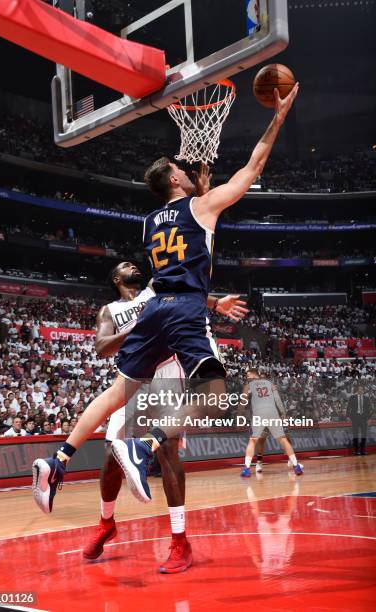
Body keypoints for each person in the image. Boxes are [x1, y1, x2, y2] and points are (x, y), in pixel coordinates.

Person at [32, 82, 299, 512]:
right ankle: (145, 447)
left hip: (155, 309)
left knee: (118, 391)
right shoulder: (202, 206)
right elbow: (254, 166)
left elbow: (190, 219)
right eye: (183, 169)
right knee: (213, 394)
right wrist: (279, 116)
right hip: (184, 309)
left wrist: (203, 188)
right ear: (175, 178)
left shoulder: (151, 221)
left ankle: (56, 460)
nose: (189, 171)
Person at [81, 259, 247, 573]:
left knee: (167, 449)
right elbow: (101, 347)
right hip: (133, 377)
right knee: (110, 455)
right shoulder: (109, 311)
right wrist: (138, 327)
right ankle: (106, 522)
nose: (132, 265)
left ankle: (180, 540)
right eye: (125, 265)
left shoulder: (154, 290)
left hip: (168, 370)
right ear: (116, 278)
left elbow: (189, 294)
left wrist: (217, 303)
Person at [240, 369, 303, 477]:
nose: (247, 377)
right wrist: (283, 414)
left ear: (253, 375)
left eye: (248, 375)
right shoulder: (270, 383)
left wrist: (240, 414)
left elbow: (243, 400)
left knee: (253, 441)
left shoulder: (249, 385)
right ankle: (296, 466)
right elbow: (277, 399)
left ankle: (246, 469)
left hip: (259, 413)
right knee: (283, 440)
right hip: (272, 412)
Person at [346, 385, 372, 455]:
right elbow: (348, 407)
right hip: (355, 418)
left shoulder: (366, 398)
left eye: (362, 389)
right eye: (359, 389)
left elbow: (369, 409)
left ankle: (362, 450)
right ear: (357, 390)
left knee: (364, 434)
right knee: (355, 434)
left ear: (363, 390)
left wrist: (369, 418)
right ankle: (356, 451)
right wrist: (348, 416)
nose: (361, 390)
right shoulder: (352, 397)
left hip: (364, 418)